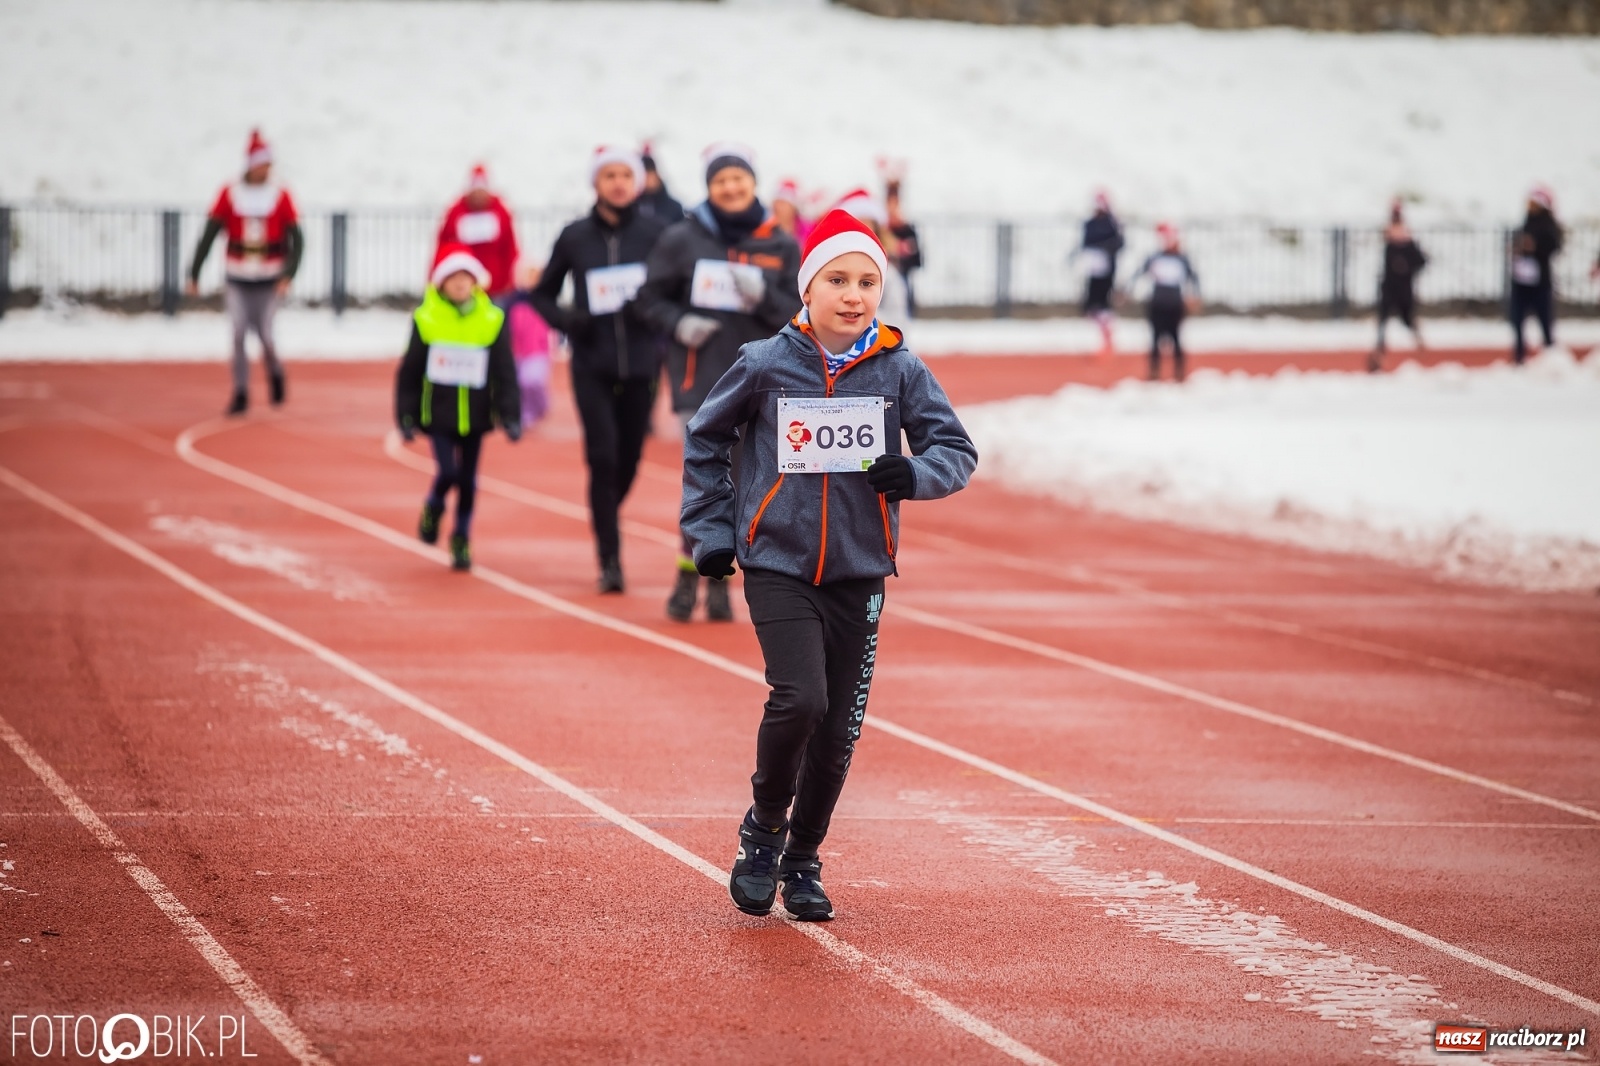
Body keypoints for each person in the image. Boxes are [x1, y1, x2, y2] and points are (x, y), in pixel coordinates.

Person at [681, 208, 977, 921]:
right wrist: (713, 530)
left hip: (860, 568)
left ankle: (804, 860)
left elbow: (955, 451)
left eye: (868, 281)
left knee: (840, 729)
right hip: (777, 560)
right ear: (807, 290)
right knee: (801, 700)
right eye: (837, 279)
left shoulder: (901, 370)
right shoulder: (762, 363)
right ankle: (763, 831)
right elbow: (704, 441)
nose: (853, 294)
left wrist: (916, 473)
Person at [633, 143, 801, 623]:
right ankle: (692, 572)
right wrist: (680, 321)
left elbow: (800, 311)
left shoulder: (781, 244)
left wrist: (765, 294)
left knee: (751, 485)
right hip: (701, 380)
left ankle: (726, 579)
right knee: (706, 483)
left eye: (738, 179)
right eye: (721, 180)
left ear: (753, 184)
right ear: (709, 187)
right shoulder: (682, 238)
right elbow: (648, 297)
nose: (731, 187)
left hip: (766, 383)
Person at [527, 146, 668, 593]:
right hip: (593, 364)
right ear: (596, 183)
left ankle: (605, 510)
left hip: (643, 364)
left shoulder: (656, 233)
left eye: (626, 174)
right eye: (609, 175)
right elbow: (542, 295)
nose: (619, 182)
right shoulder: (575, 236)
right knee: (602, 457)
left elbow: (673, 290)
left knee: (629, 458)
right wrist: (569, 320)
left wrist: (653, 309)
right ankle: (610, 558)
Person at [395, 245, 521, 572]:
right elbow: (410, 371)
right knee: (448, 472)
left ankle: (462, 536)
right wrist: (406, 415)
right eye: (453, 278)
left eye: (466, 278)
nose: (461, 284)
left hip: (477, 415)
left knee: (468, 480)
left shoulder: (492, 319)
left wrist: (510, 415)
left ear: (476, 282)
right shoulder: (427, 319)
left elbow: (504, 371)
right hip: (438, 413)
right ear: (441, 284)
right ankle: (434, 506)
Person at [187, 129, 303, 416]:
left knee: (265, 333)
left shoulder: (280, 194)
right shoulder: (231, 193)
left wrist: (289, 273)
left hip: (269, 278)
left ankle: (275, 374)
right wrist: (194, 272)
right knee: (238, 333)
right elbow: (210, 232)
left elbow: (297, 238)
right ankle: (240, 391)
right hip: (238, 276)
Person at [436, 164, 519, 302]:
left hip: (497, 288)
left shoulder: (501, 212)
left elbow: (510, 248)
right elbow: (444, 246)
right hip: (464, 290)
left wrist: (510, 281)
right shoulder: (456, 213)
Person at [1133, 223, 1201, 383]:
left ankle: (1179, 372)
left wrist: (1195, 296)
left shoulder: (1182, 259)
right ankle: (1154, 372)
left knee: (1176, 339)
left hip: (1174, 305)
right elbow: (1138, 273)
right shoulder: (1155, 258)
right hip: (1157, 304)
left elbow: (1194, 279)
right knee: (1155, 340)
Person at [1509, 185, 1564, 365]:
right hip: (1522, 279)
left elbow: (1554, 247)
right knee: (1517, 319)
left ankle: (1551, 356)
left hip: (1540, 281)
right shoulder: (1526, 222)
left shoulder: (1549, 225)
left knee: (1545, 320)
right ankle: (1519, 357)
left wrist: (1535, 247)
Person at [1370, 199, 1428, 373]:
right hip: (1389, 287)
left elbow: (1421, 261)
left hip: (1403, 287)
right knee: (1383, 319)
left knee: (1405, 318)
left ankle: (1417, 339)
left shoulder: (1406, 239)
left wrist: (1405, 268)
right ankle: (1379, 351)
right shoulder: (1389, 236)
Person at [1073, 191, 1124, 358]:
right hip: (1092, 269)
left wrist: (1103, 249)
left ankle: (1107, 341)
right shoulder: (1090, 224)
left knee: (1103, 305)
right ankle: (1103, 339)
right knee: (1091, 307)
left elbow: (1119, 244)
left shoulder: (1112, 223)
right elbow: (1085, 242)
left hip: (1106, 271)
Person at [884, 178, 923, 319]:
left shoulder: (907, 230)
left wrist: (904, 252)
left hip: (903, 281)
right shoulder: (883, 229)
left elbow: (918, 261)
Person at [636, 143, 686, 224]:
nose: (645, 179)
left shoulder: (674, 207)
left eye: (649, 174)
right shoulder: (631, 207)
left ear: (657, 175)